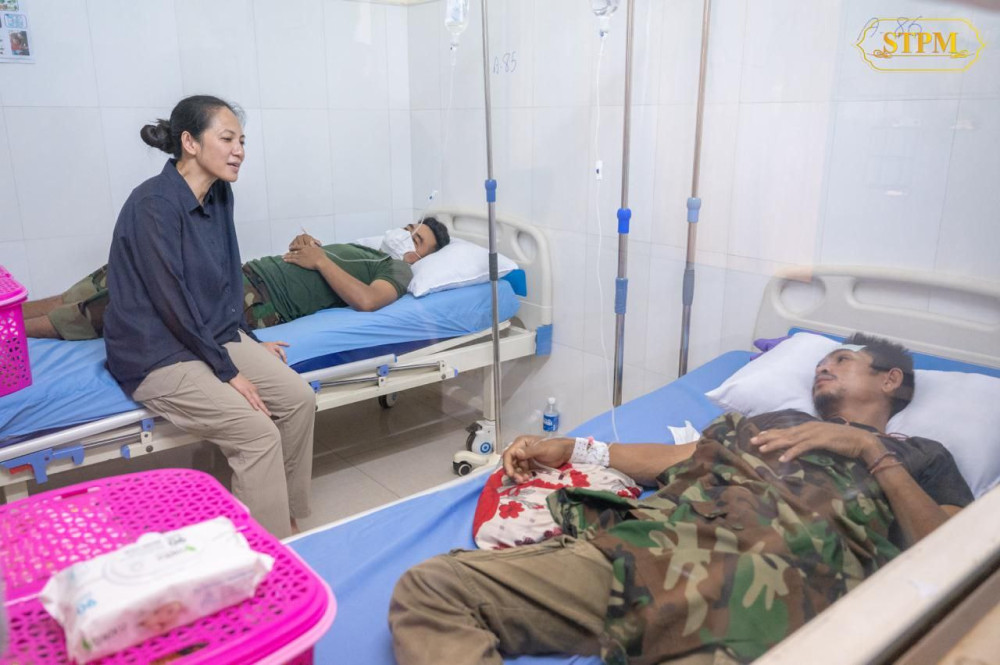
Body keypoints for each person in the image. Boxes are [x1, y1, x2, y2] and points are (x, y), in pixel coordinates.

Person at [388, 333, 975, 665]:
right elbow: (677, 460)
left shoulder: (923, 457)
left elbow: (951, 552)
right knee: (434, 587)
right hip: (651, 548)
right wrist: (574, 448)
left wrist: (870, 451)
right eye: (820, 363)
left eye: (841, 361)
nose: (823, 370)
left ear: (890, 380)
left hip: (776, 592)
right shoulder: (770, 418)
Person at [102, 95, 315, 539]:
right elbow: (171, 301)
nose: (239, 151)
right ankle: (268, 549)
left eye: (242, 141)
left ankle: (286, 516)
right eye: (228, 139)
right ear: (190, 142)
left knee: (298, 399)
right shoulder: (153, 205)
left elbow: (226, 279)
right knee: (258, 434)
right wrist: (228, 371)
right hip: (157, 352)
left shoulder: (219, 194)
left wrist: (248, 341)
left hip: (208, 336)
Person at [22, 219, 450, 340]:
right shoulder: (366, 248)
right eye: (409, 229)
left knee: (137, 303)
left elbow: (368, 301)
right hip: (244, 272)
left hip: (258, 301)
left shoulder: (398, 269)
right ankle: (16, 312)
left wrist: (320, 261)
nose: (407, 239)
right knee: (124, 271)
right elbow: (320, 261)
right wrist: (308, 245)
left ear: (424, 257)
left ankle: (17, 333)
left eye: (418, 242)